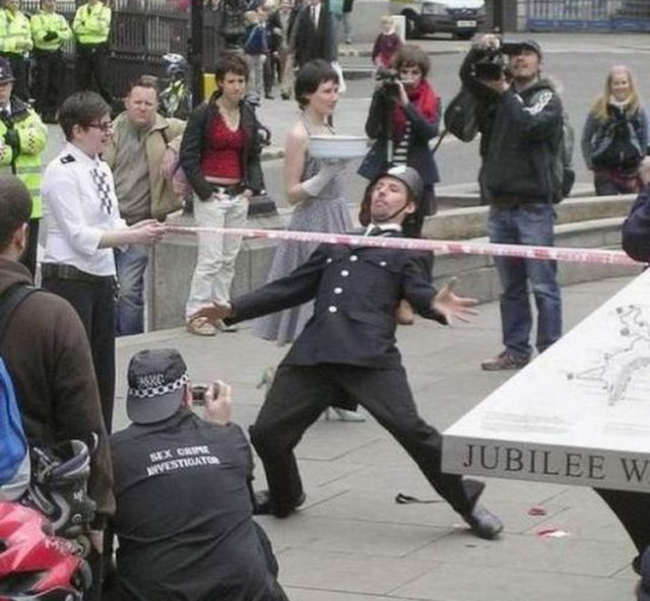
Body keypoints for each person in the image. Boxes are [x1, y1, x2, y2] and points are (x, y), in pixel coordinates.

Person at [191, 165, 504, 540]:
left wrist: (435, 305)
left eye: (394, 190)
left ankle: (466, 502)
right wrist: (234, 309)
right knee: (268, 433)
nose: (382, 194)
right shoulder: (339, 242)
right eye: (379, 188)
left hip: (369, 357)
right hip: (316, 352)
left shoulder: (409, 250)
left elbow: (419, 291)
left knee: (412, 431)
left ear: (409, 207)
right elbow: (290, 287)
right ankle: (284, 495)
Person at [0, 174, 114, 598]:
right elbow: (86, 425)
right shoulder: (50, 315)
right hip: (31, 514)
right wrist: (99, 516)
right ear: (21, 235)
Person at [108, 348, 289, 601]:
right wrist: (220, 425)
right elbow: (243, 505)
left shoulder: (114, 452)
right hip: (243, 593)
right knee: (253, 534)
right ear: (187, 394)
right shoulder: (229, 437)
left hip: (154, 593)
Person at [40, 91, 166, 433]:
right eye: (102, 126)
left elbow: (111, 221)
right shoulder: (61, 172)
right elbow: (80, 237)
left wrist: (135, 228)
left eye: (109, 125)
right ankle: (74, 441)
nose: (109, 132)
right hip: (70, 280)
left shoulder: (100, 168)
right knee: (74, 372)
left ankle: (102, 440)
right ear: (78, 130)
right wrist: (131, 238)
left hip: (99, 278)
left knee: (103, 370)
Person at [252, 59, 362, 421]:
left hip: (337, 219)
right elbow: (291, 192)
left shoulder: (330, 130)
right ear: (307, 95)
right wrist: (323, 176)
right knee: (312, 312)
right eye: (326, 91)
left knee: (336, 310)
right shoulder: (299, 134)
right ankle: (287, 381)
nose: (333, 97)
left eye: (335, 90)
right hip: (312, 224)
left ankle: (332, 392)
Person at [457, 37, 565, 371]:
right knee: (511, 288)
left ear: (539, 62)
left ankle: (550, 352)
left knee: (544, 286)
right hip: (501, 206)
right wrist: (477, 51)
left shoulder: (546, 97)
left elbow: (530, 125)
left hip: (533, 206)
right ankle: (516, 350)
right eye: (514, 54)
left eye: (527, 54)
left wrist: (505, 92)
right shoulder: (499, 96)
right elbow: (467, 78)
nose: (519, 59)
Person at [180, 52, 266, 336]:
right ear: (220, 83)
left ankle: (218, 310)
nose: (238, 87)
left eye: (241, 81)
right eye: (231, 81)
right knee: (210, 259)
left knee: (229, 258)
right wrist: (203, 192)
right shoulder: (203, 114)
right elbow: (188, 156)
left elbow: (253, 153)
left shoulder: (248, 114)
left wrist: (251, 187)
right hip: (211, 196)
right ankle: (196, 314)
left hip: (237, 194)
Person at [103, 75, 186, 337]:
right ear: (126, 102)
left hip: (141, 223)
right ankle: (111, 340)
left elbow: (198, 127)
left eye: (149, 103)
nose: (142, 108)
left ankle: (130, 340)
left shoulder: (166, 128)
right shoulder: (112, 130)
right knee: (108, 290)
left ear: (157, 104)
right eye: (137, 102)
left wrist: (174, 147)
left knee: (128, 289)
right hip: (108, 223)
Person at [360, 44, 441, 222]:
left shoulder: (431, 99)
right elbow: (371, 131)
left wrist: (406, 105)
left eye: (415, 73)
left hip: (415, 174)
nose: (409, 78)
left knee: (412, 230)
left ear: (422, 75)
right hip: (386, 170)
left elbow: (429, 132)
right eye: (405, 72)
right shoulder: (387, 95)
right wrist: (380, 100)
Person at [0, 57, 48, 278]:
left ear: (11, 85)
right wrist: (21, 147)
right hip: (2, 204)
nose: (1, 90)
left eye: (5, 84)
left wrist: (11, 140)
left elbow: (41, 138)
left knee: (26, 269)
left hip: (30, 206)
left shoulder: (26, 112)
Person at [581, 65, 648, 196]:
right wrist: (589, 161)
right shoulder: (599, 108)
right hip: (605, 168)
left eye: (624, 82)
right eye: (616, 83)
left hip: (631, 167)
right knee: (606, 206)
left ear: (630, 84)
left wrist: (642, 158)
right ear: (610, 86)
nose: (620, 87)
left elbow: (645, 137)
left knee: (632, 209)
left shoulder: (637, 109)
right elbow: (586, 138)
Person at [30, 0, 73, 124]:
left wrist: (53, 34)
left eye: (54, 1)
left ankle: (51, 113)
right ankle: (38, 112)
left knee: (55, 84)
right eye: (49, 1)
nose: (52, 4)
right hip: (42, 54)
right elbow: (40, 36)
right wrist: (58, 35)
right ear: (43, 4)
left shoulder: (60, 18)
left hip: (57, 54)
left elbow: (68, 33)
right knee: (42, 83)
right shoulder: (36, 18)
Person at [73, 0, 112, 106]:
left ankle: (107, 107)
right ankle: (82, 108)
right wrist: (92, 25)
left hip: (99, 48)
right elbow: (76, 27)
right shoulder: (81, 10)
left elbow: (102, 28)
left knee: (102, 80)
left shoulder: (105, 10)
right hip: (83, 47)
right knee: (82, 80)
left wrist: (85, 24)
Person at [0, 0, 32, 102]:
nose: (15, 4)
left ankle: (18, 110)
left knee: (20, 86)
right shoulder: (1, 16)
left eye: (17, 2)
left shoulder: (22, 17)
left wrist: (29, 44)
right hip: (5, 57)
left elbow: (28, 35)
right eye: (11, 2)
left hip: (20, 56)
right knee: (6, 86)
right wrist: (15, 45)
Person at [291, 0, 336, 70]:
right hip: (305, 56)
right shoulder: (302, 13)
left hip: (322, 55)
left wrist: (331, 58)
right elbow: (295, 33)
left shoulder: (327, 14)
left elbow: (331, 37)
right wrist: (294, 52)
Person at [242, 8, 269, 103]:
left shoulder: (248, 29)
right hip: (256, 53)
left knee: (251, 74)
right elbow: (264, 42)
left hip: (250, 53)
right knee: (257, 74)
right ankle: (257, 93)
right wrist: (264, 53)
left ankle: (252, 93)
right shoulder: (260, 28)